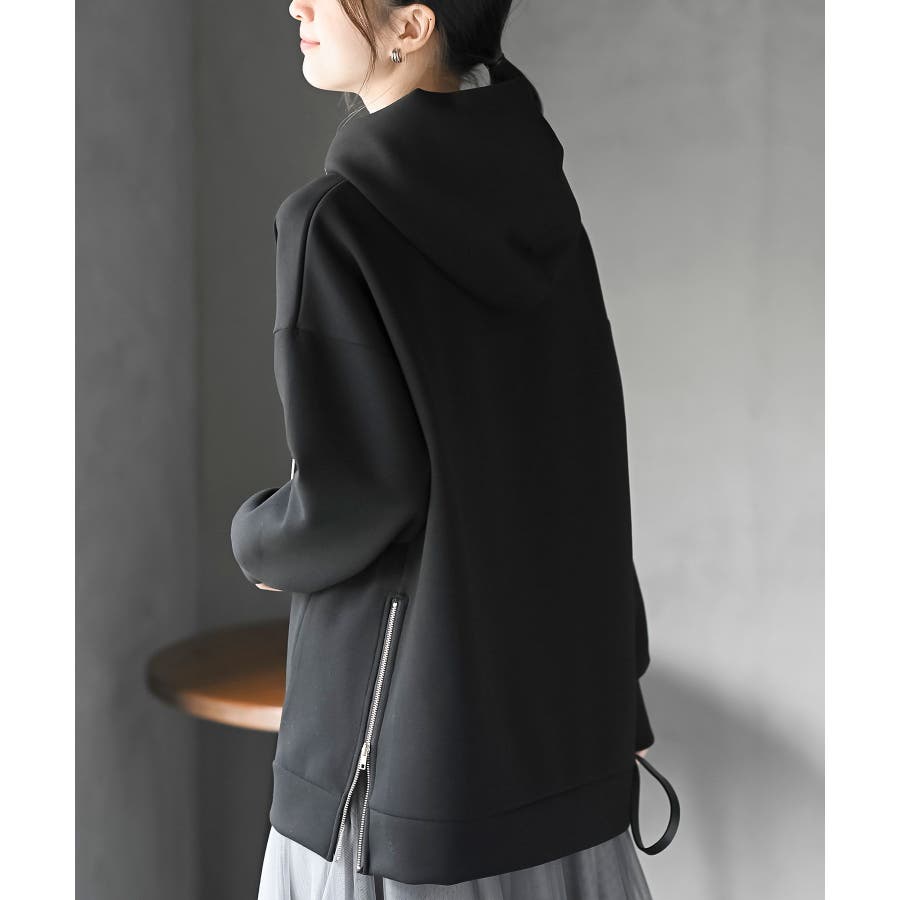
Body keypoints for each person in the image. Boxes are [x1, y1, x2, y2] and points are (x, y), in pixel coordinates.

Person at [230, 1, 680, 897]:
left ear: (412, 25)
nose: (298, 4)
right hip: (563, 734)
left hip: (407, 761)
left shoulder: (334, 221)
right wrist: (616, 683)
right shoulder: (539, 195)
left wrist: (258, 541)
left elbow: (355, 497)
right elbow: (585, 452)